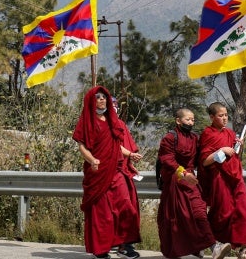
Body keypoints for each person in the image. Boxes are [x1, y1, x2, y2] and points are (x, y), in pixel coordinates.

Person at [72, 86, 141, 259]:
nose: (102, 99)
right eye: (98, 97)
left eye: (104, 97)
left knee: (126, 206)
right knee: (102, 214)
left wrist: (130, 154)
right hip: (98, 173)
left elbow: (117, 145)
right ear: (91, 101)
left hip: (116, 171)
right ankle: (101, 249)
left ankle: (125, 245)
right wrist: (92, 160)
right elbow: (82, 146)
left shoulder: (112, 121)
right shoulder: (86, 121)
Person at [157, 108, 221, 259]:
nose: (191, 123)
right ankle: (192, 248)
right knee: (176, 219)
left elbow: (201, 157)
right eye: (187, 120)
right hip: (175, 181)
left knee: (199, 212)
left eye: (193, 120)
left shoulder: (194, 138)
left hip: (191, 182)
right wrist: (183, 173)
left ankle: (213, 246)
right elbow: (167, 159)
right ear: (178, 121)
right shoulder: (170, 138)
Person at [198, 102, 246, 259]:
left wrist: (238, 146)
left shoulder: (230, 133)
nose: (224, 118)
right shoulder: (207, 134)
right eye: (220, 115)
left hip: (235, 176)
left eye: (226, 115)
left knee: (243, 210)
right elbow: (205, 160)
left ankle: (243, 249)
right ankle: (211, 242)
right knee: (223, 212)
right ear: (212, 117)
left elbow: (234, 155)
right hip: (219, 176)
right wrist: (222, 150)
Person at [112, 96, 143, 259]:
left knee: (128, 207)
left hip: (121, 173)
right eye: (112, 105)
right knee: (108, 211)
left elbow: (125, 147)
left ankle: (125, 244)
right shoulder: (96, 124)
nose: (114, 108)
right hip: (104, 173)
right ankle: (106, 244)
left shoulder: (121, 124)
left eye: (116, 105)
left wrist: (131, 161)